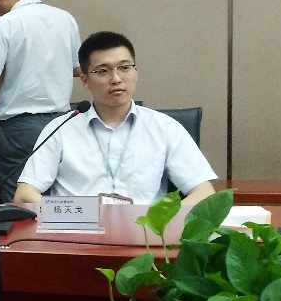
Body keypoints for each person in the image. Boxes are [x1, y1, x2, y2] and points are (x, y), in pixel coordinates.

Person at [13, 31, 215, 206]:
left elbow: (204, 192)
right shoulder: (60, 129)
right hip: (77, 233)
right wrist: (75, 215)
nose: (116, 79)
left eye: (125, 68)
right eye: (103, 71)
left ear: (136, 72)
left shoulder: (165, 128)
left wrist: (160, 220)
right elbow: (24, 195)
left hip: (144, 233)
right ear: (85, 80)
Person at [0, 0, 81, 202]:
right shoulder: (65, 18)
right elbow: (78, 69)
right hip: (62, 123)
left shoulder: (5, 24)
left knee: (18, 201)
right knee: (55, 198)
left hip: (20, 127)